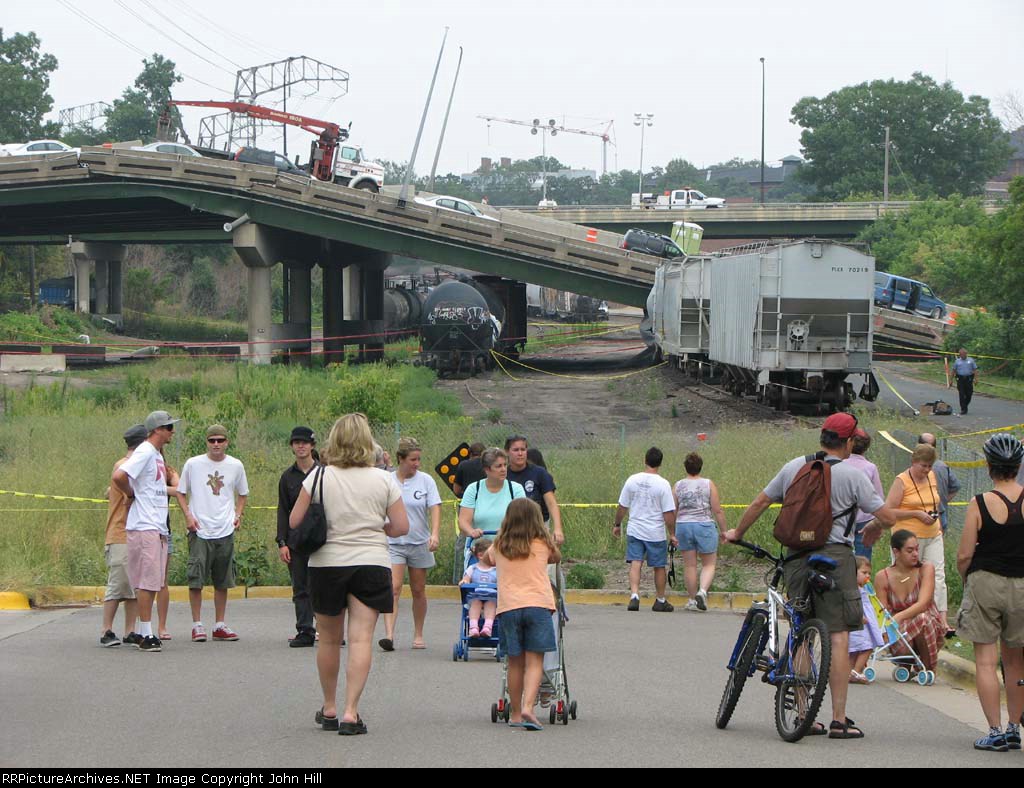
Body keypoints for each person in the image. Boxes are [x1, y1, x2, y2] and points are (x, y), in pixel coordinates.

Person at [725, 412, 897, 739]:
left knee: (802, 628)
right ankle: (838, 719)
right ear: (848, 442)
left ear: (822, 437)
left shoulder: (795, 467)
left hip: (797, 559)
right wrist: (877, 526)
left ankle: (804, 713)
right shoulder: (855, 474)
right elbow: (885, 516)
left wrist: (737, 531)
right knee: (838, 635)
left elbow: (762, 501)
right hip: (836, 558)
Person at [288, 413, 409, 736]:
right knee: (360, 639)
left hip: (327, 563)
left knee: (328, 639)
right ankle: (351, 712)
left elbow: (295, 521)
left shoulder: (317, 477)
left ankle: (328, 707)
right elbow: (401, 527)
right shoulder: (384, 479)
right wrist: (374, 525)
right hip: (370, 562)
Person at [956, 433, 1024, 753]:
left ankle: (994, 731)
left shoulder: (979, 502)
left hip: (985, 581)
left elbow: (965, 555)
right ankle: (1014, 728)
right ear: (1018, 466)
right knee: (1015, 662)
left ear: (989, 467)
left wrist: (966, 578)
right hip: (1022, 585)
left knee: (986, 661)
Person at [488, 498, 560, 731]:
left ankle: (517, 713)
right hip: (538, 605)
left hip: (509, 607)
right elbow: (555, 558)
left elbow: (486, 560)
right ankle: (529, 706)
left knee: (514, 662)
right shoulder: (542, 543)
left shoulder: (499, 545)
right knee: (534, 661)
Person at [111, 410, 180, 653]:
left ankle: (143, 630)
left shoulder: (157, 456)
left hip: (157, 524)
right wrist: (131, 494)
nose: (172, 431)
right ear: (158, 429)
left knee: (154, 580)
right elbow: (119, 476)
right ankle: (146, 632)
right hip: (144, 525)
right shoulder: (144, 451)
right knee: (147, 582)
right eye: (169, 427)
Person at [175, 424, 250, 643]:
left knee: (222, 579)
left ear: (227, 442)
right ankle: (197, 624)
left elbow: (243, 493)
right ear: (206, 442)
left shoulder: (235, 465)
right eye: (212, 440)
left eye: (220, 440)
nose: (216, 444)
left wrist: (238, 515)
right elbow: (180, 492)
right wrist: (188, 516)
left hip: (224, 529)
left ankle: (219, 624)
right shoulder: (193, 464)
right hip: (200, 529)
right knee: (196, 578)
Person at [380, 437, 442, 652]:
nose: (417, 464)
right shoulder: (387, 479)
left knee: (418, 590)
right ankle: (389, 634)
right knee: (394, 588)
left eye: (418, 459)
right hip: (394, 542)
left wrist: (434, 534)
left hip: (418, 542)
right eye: (413, 459)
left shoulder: (426, 480)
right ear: (400, 459)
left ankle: (418, 633)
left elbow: (434, 507)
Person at [885, 443, 952, 635]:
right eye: (923, 465)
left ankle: (941, 620)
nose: (927, 470)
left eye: (930, 466)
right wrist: (915, 514)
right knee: (909, 576)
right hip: (909, 537)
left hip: (933, 533)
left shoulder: (931, 477)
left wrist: (932, 514)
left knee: (938, 575)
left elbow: (935, 500)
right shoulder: (902, 480)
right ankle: (905, 617)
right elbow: (889, 510)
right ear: (914, 462)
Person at [614, 447, 678, 613]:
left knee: (636, 562)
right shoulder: (663, 484)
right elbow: (668, 513)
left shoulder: (632, 480)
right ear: (660, 463)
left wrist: (617, 524)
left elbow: (622, 506)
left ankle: (634, 595)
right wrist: (672, 533)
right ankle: (660, 599)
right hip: (655, 532)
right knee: (659, 566)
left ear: (645, 460)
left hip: (635, 529)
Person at [99, 425, 147, 648]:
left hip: (135, 531)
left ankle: (130, 630)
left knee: (133, 586)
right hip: (120, 533)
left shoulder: (133, 465)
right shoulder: (125, 466)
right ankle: (106, 630)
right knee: (117, 585)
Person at [874, 530, 946, 673]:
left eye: (917, 549)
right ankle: (905, 664)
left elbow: (924, 604)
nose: (915, 554)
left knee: (924, 619)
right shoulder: (883, 576)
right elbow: (882, 612)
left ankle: (927, 669)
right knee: (898, 630)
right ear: (896, 552)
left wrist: (899, 617)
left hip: (925, 626)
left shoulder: (925, 569)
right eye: (909, 550)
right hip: (900, 631)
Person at [277, 426, 321, 648]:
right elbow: (283, 511)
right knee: (301, 587)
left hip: (322, 539)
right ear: (292, 446)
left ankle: (328, 628)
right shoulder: (287, 477)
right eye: (296, 442)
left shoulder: (324, 473)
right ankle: (305, 630)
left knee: (323, 586)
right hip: (296, 541)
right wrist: (282, 542)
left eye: (305, 442)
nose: (301, 446)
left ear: (313, 445)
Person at [673, 453, 727, 612]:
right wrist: (724, 530)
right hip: (704, 525)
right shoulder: (708, 484)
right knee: (709, 563)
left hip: (683, 525)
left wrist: (671, 531)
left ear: (686, 467)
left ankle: (691, 600)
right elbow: (717, 510)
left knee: (689, 565)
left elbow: (673, 509)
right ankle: (702, 592)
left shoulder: (678, 485)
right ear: (700, 466)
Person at [506, 435, 564, 545]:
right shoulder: (503, 474)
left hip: (539, 527)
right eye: (515, 450)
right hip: (511, 528)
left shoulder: (539, 473)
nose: (520, 453)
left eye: (523, 449)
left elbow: (551, 502)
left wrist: (557, 528)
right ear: (507, 452)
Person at [458, 448, 526, 538]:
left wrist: (508, 530)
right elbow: (463, 521)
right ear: (487, 469)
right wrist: (472, 532)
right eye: (498, 466)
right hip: (480, 548)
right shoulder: (473, 489)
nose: (503, 469)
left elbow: (523, 520)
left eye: (505, 465)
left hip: (508, 547)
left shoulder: (516, 489)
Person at [845, 429, 885, 560]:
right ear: (866, 447)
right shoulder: (870, 467)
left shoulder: (840, 464)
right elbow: (878, 496)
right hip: (864, 521)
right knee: (862, 560)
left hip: (842, 520)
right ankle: (861, 579)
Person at [849, 557, 885, 685]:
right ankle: (856, 671)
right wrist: (859, 616)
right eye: (864, 573)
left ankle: (851, 670)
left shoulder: (861, 588)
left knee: (855, 649)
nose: (867, 576)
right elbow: (853, 606)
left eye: (869, 573)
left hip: (861, 626)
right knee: (867, 646)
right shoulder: (855, 590)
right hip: (860, 625)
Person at [156, 454, 180, 641]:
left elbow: (180, 489)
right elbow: (111, 490)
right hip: (141, 529)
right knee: (141, 582)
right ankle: (142, 624)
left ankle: (162, 626)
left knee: (162, 581)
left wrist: (156, 488)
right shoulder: (136, 468)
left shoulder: (168, 471)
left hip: (164, 531)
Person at [918, 433, 961, 537]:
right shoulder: (942, 466)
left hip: (922, 516)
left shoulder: (918, 467)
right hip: (941, 514)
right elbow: (956, 486)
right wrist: (943, 500)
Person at [459, 538, 497, 637]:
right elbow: (466, 578)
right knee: (475, 604)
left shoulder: (496, 570)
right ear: (480, 555)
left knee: (491, 604)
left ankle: (487, 627)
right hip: (476, 595)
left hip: (491, 595)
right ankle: (474, 627)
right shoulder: (473, 568)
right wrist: (465, 581)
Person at [953, 347, 978, 416]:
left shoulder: (971, 360)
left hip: (969, 379)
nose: (962, 355)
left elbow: (975, 370)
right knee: (961, 394)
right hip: (960, 379)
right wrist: (950, 380)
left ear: (966, 354)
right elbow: (953, 370)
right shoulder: (957, 361)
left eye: (963, 354)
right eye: (961, 354)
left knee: (969, 394)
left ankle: (965, 405)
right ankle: (963, 409)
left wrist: (976, 379)